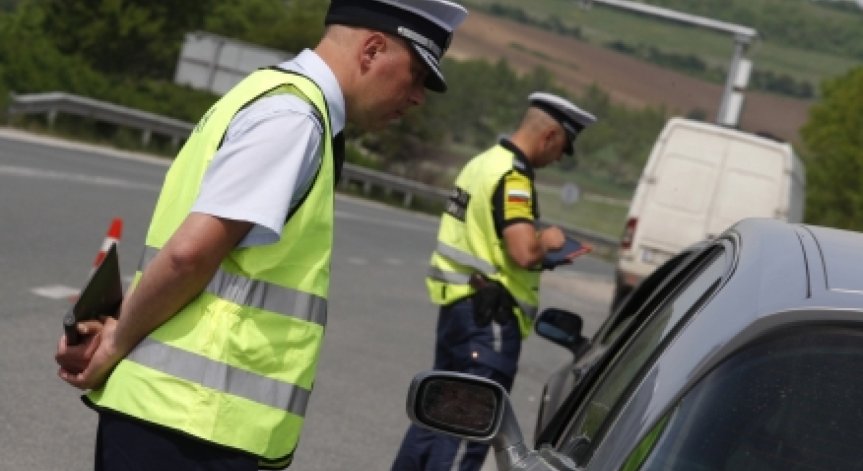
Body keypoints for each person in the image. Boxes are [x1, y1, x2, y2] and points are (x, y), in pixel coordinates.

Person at [54, 1, 468, 470]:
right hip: (190, 426)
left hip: (184, 420)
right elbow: (189, 256)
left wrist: (117, 329)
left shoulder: (271, 95)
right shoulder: (293, 120)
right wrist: (111, 344)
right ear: (372, 50)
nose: (417, 97)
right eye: (415, 76)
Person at [391, 92, 596, 471]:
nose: (556, 160)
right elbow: (522, 252)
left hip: (459, 309)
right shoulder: (514, 178)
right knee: (468, 426)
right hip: (491, 319)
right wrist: (547, 242)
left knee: (435, 417)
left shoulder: (482, 163)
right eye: (561, 149)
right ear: (550, 136)